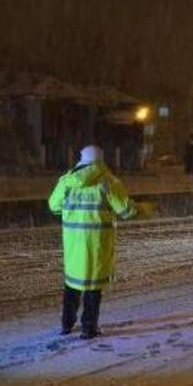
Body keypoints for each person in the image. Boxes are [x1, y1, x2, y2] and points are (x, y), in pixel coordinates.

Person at [48, 145, 137, 339]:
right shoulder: (109, 182)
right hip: (97, 246)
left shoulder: (66, 182)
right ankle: (89, 328)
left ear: (81, 160)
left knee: (72, 286)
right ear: (101, 160)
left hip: (74, 247)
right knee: (93, 289)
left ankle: (66, 324)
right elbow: (125, 211)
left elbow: (53, 206)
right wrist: (141, 208)